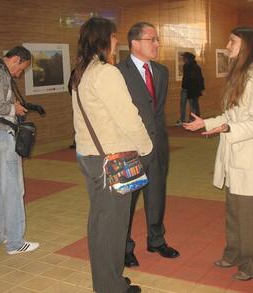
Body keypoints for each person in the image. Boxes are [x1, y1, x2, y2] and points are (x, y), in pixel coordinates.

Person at [183, 26, 253, 281]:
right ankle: (234, 253)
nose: (227, 45)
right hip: (233, 150)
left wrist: (228, 127)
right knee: (235, 211)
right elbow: (231, 115)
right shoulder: (240, 74)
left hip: (248, 153)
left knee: (251, 216)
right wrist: (208, 122)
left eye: (232, 41)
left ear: (245, 44)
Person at [72, 17, 152, 293]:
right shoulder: (106, 72)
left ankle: (108, 279)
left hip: (91, 156)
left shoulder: (81, 71)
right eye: (114, 37)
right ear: (104, 39)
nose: (117, 41)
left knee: (100, 222)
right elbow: (128, 116)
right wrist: (147, 147)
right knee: (112, 226)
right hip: (111, 160)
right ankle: (110, 287)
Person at [116, 22, 179, 268]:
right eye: (151, 39)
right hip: (130, 148)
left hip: (158, 145)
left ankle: (156, 240)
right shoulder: (118, 72)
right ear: (134, 43)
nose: (156, 44)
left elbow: (158, 111)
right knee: (128, 201)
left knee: (156, 196)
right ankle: (125, 246)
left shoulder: (161, 71)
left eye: (157, 39)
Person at [0, 46, 39, 255]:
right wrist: (15, 108)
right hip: (2, 136)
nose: (19, 73)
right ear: (15, 60)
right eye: (21, 68)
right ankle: (15, 242)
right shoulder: (1, 73)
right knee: (13, 190)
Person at [175, 52, 204, 126]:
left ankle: (191, 120)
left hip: (192, 90)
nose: (183, 59)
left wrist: (200, 89)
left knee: (192, 106)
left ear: (188, 59)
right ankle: (183, 120)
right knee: (184, 105)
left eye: (184, 57)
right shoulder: (186, 66)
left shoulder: (195, 67)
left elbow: (199, 79)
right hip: (186, 89)